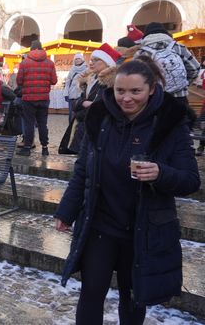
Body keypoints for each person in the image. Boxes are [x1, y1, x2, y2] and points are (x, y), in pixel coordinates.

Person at [54, 58, 200, 325]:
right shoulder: (99, 117)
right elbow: (82, 171)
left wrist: (160, 173)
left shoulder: (170, 124)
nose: (126, 98)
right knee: (90, 293)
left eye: (136, 91)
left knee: (132, 299)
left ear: (152, 89)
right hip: (100, 224)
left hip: (143, 229)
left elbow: (191, 180)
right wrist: (66, 211)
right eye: (121, 90)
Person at [64, 44, 120, 154]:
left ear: (107, 63)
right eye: (91, 60)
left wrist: (82, 104)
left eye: (96, 60)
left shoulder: (110, 82)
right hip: (83, 126)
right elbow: (77, 103)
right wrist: (84, 103)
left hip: (98, 129)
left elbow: (100, 107)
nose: (91, 63)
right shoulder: (89, 79)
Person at [135, 22, 200, 106]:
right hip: (179, 98)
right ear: (165, 33)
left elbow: (136, 77)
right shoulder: (179, 47)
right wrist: (183, 82)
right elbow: (195, 68)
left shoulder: (141, 53)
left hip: (153, 99)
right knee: (181, 118)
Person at [16, 40, 57, 156]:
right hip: (44, 98)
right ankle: (45, 148)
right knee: (42, 124)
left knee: (29, 124)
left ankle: (27, 148)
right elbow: (54, 81)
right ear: (42, 48)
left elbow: (19, 81)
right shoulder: (50, 63)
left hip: (28, 98)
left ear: (31, 49)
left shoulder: (24, 63)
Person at [63, 53, 88, 121]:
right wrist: (66, 94)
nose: (77, 60)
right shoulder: (72, 69)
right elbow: (68, 82)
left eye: (79, 58)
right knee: (71, 114)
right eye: (76, 59)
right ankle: (71, 129)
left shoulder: (87, 69)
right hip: (72, 94)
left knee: (80, 114)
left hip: (81, 95)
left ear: (82, 59)